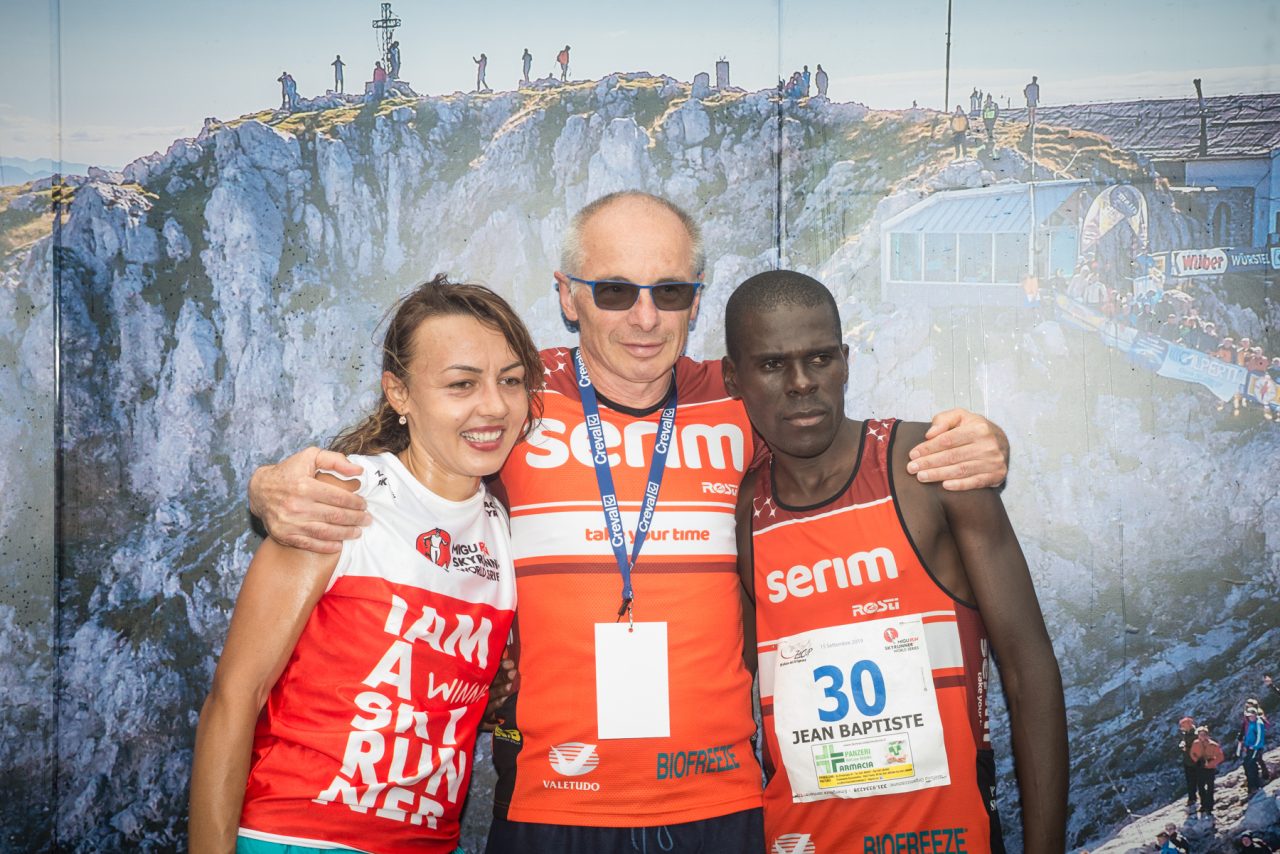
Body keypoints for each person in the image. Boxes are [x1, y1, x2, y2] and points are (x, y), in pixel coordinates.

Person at [249, 192, 1011, 853]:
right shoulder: (512, 397)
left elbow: (846, 443)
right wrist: (270, 487)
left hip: (721, 807)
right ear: (567, 295)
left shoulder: (744, 398)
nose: (645, 318)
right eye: (614, 291)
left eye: (670, 292)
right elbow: (404, 464)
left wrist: (979, 440)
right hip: (550, 805)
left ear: (696, 301)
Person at [189, 277, 544, 853]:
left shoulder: (503, 527)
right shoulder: (337, 501)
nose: (495, 405)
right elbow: (234, 699)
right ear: (399, 393)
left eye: (511, 380)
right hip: (296, 837)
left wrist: (485, 687)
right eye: (461, 383)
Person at [722, 270, 1067, 854]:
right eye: (773, 365)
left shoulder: (929, 467)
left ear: (846, 361)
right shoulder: (740, 513)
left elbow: (1028, 670)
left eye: (820, 358)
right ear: (735, 377)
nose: (802, 383)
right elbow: (736, 697)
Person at [1189, 725, 1225, 818]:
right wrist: (1197, 761)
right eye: (1200, 734)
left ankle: (1209, 806)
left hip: (1210, 768)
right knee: (1201, 787)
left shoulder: (1213, 745)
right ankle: (1203, 804)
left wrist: (1211, 763)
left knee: (1210, 787)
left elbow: (1220, 757)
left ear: (1207, 735)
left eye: (1203, 734)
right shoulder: (1196, 743)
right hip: (1200, 767)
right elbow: (1192, 753)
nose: (1202, 736)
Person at [1239, 703, 1268, 795]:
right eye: (1249, 716)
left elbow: (1260, 737)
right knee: (1247, 765)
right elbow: (1248, 735)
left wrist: (1255, 746)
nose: (1250, 717)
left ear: (1255, 715)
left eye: (1252, 716)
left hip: (1255, 748)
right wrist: (1245, 745)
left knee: (1250, 765)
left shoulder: (1259, 723)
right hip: (1249, 747)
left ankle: (1255, 785)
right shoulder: (1251, 723)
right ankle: (1252, 785)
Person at [1177, 716, 1199, 808]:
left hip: (1194, 761)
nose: (1181, 728)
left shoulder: (1195, 734)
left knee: (1194, 780)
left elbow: (1197, 747)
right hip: (1188, 760)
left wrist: (1186, 748)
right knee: (1190, 780)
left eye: (1183, 726)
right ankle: (1192, 797)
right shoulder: (1187, 734)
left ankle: (1193, 798)